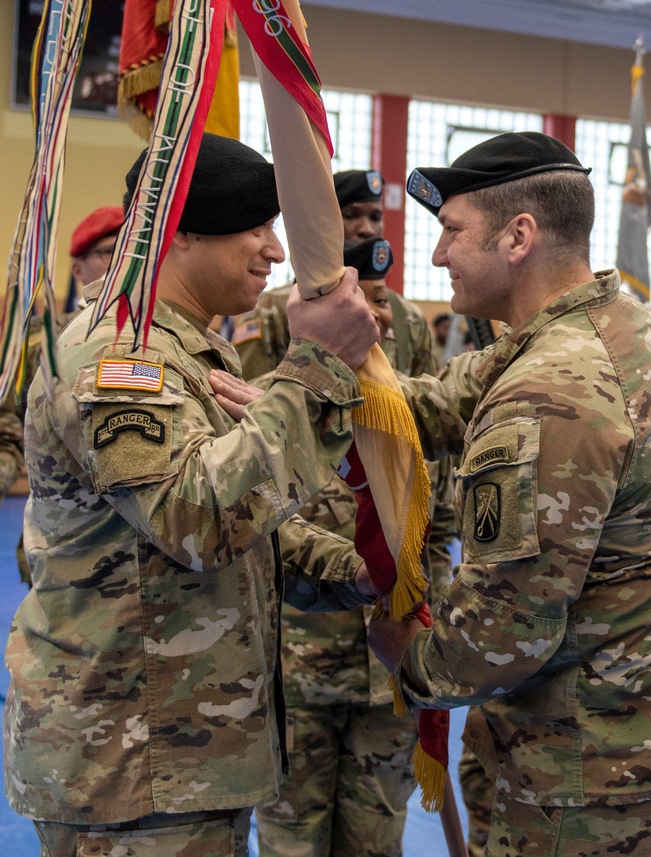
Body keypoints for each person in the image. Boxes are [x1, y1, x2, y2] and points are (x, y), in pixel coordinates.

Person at [365, 131, 651, 856]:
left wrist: (409, 654)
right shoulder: (617, 322)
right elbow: (440, 397)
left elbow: (501, 634)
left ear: (518, 235)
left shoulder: (546, 391)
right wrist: (330, 390)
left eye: (451, 232)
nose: (436, 256)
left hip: (609, 778)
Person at [3, 132, 382, 857]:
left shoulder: (182, 347)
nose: (274, 252)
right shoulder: (121, 357)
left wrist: (360, 572)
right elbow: (195, 520)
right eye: (255, 226)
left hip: (180, 755)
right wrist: (314, 370)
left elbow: (244, 535)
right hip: (131, 768)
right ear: (177, 231)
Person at [249, 237, 429, 857]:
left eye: (378, 299)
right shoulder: (274, 324)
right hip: (302, 647)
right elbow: (254, 457)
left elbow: (431, 486)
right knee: (292, 832)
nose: (372, 313)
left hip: (386, 656)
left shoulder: (403, 361)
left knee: (378, 833)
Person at [0, 204, 127, 579]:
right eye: (108, 252)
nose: (121, 263)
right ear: (77, 269)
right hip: (65, 549)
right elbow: (7, 431)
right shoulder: (40, 343)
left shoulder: (167, 336)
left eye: (129, 251)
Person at [233, 168, 436, 381]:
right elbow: (248, 395)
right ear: (325, 223)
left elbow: (424, 404)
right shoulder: (273, 308)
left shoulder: (407, 317)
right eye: (351, 215)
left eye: (375, 217)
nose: (367, 229)